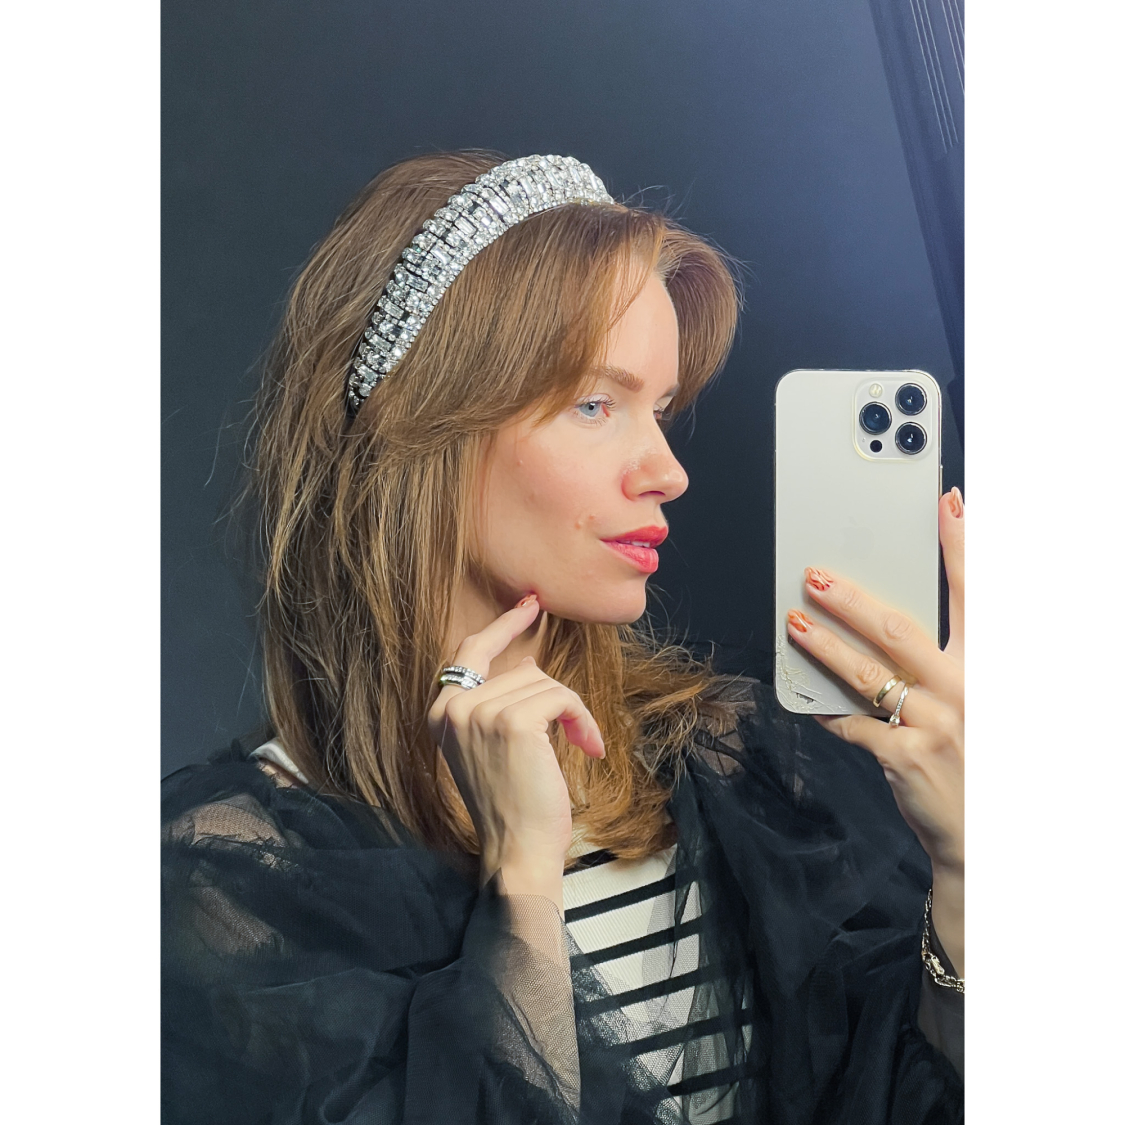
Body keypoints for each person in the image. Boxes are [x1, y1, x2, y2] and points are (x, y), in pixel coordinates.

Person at [162, 151, 964, 1124]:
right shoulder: (234, 876)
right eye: (596, 404)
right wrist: (523, 883)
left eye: (659, 410)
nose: (667, 470)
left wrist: (969, 870)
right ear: (423, 426)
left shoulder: (728, 758)